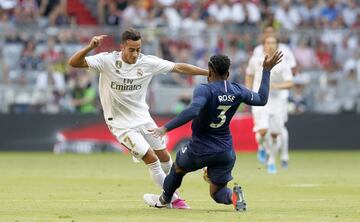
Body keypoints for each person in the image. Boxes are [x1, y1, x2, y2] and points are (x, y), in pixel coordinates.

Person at [68, 28, 208, 209]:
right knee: (151, 159)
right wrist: (90, 47)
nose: (135, 54)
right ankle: (173, 199)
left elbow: (178, 67)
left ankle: (167, 193)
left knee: (165, 157)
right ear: (122, 47)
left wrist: (208, 74)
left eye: (138, 49)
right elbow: (74, 62)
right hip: (120, 123)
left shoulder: (147, 62)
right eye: (131, 49)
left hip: (143, 118)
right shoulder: (107, 60)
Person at [142, 52, 283, 210]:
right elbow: (262, 99)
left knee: (178, 168)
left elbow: (194, 110)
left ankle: (163, 200)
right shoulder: (237, 90)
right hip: (225, 152)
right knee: (218, 193)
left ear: (209, 72)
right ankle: (234, 197)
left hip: (199, 149)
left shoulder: (205, 90)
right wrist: (266, 71)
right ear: (228, 73)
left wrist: (165, 128)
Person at [246, 35, 293, 174]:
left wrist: (276, 86)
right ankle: (262, 149)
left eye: (273, 43)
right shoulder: (255, 60)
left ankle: (271, 159)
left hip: (277, 101)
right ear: (263, 45)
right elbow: (249, 75)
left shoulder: (283, 63)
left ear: (278, 45)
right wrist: (249, 92)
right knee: (262, 131)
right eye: (268, 43)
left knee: (275, 134)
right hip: (260, 99)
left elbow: (290, 82)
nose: (270, 45)